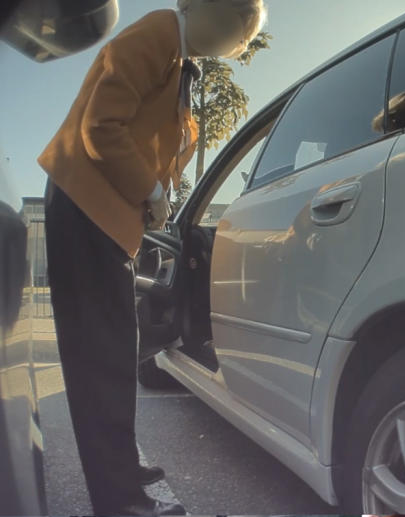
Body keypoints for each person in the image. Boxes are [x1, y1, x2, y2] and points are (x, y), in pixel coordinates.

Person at [37, 1, 265, 515]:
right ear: (207, 8)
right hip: (85, 206)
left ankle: (120, 470)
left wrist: (155, 194)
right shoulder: (161, 31)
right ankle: (118, 499)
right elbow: (102, 127)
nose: (239, 43)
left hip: (105, 217)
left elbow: (143, 136)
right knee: (100, 359)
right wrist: (152, 192)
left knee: (115, 352)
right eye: (240, 28)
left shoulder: (181, 58)